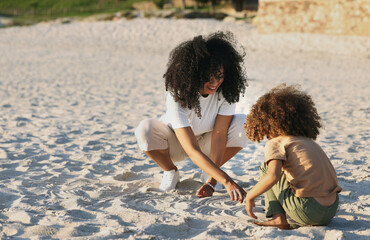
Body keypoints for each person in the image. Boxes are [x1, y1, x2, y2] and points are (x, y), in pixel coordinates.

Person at [135, 31, 248, 201]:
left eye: (219, 76)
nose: (215, 82)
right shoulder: (178, 93)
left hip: (208, 143)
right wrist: (227, 181)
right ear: (194, 74)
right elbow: (192, 150)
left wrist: (212, 182)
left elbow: (219, 137)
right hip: (176, 144)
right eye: (208, 77)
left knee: (244, 124)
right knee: (145, 129)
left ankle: (208, 171)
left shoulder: (227, 92)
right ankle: (171, 171)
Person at [243, 84, 342, 229]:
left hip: (308, 210)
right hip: (331, 210)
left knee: (267, 169)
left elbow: (273, 176)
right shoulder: (307, 141)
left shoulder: (276, 142)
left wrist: (250, 196)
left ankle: (278, 218)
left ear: (265, 123)